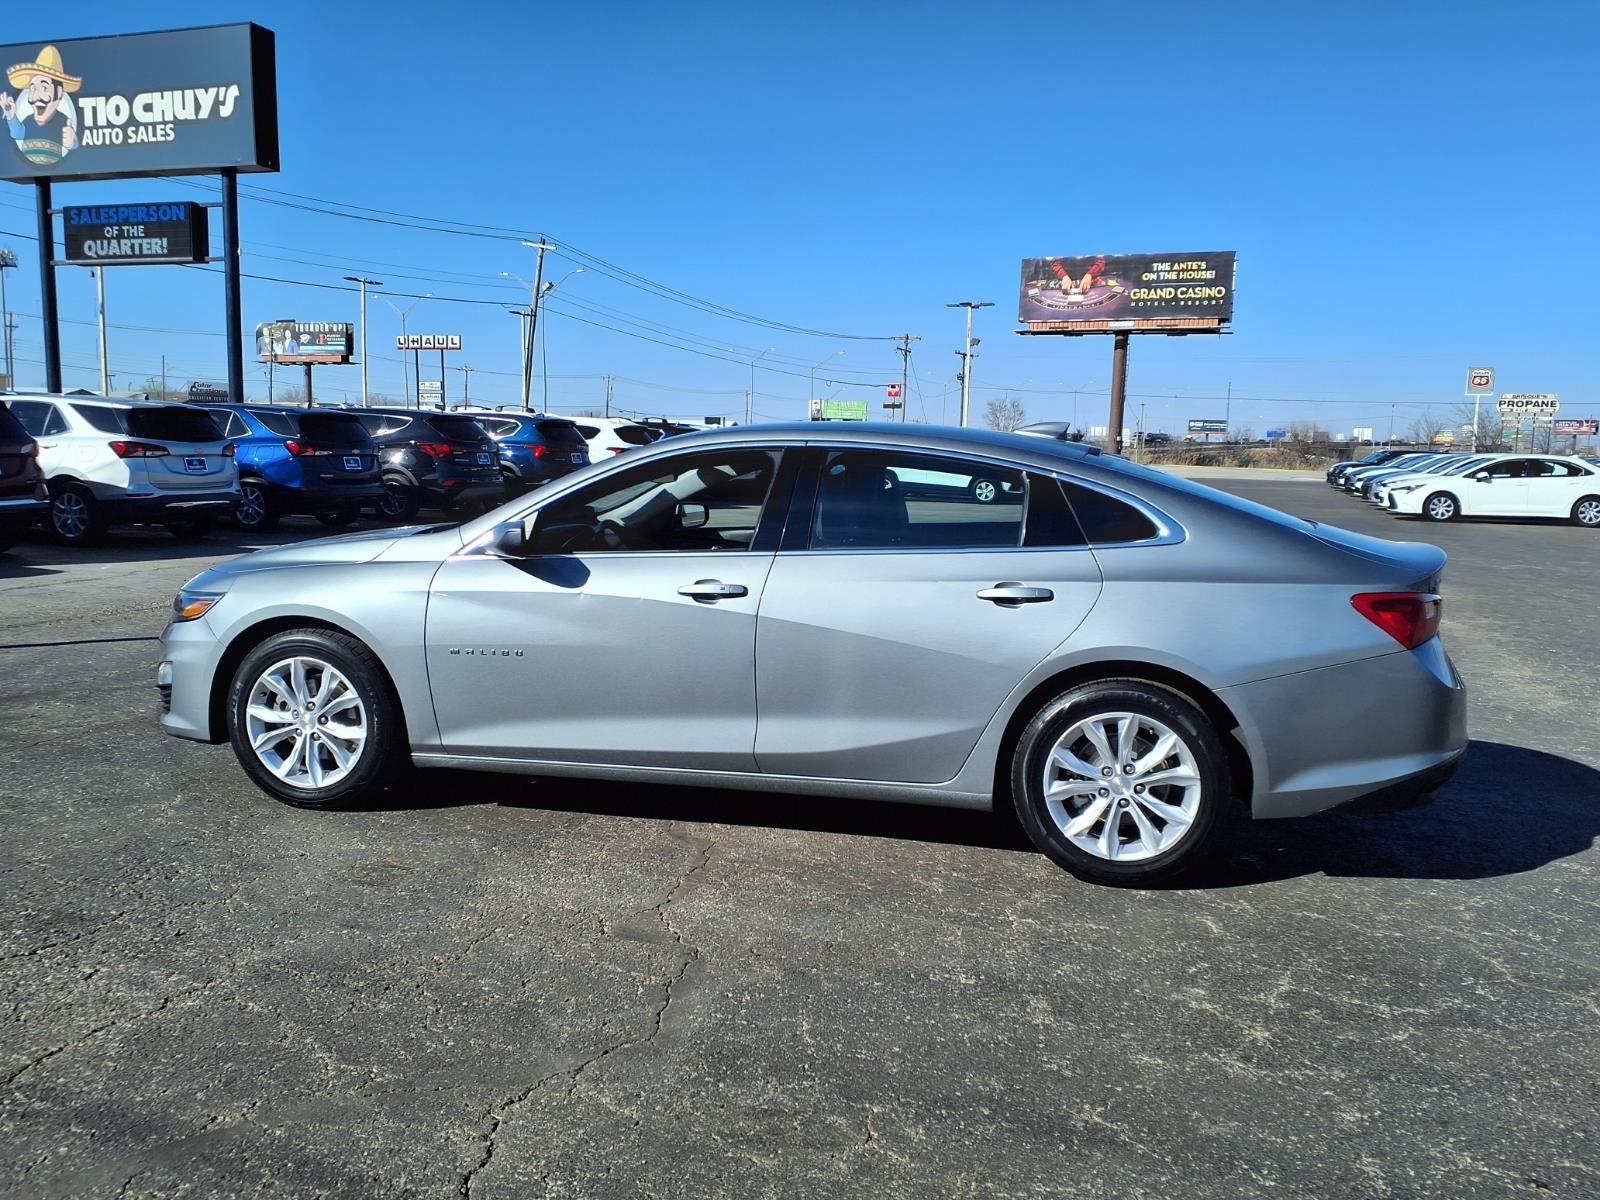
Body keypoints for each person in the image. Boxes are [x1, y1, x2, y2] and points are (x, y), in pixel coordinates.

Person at [0, 46, 80, 167]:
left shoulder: (63, 122)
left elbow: (76, 149)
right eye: (32, 88)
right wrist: (11, 116)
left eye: (44, 88)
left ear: (58, 92)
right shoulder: (28, 121)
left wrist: (74, 143)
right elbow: (17, 133)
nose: (36, 96)